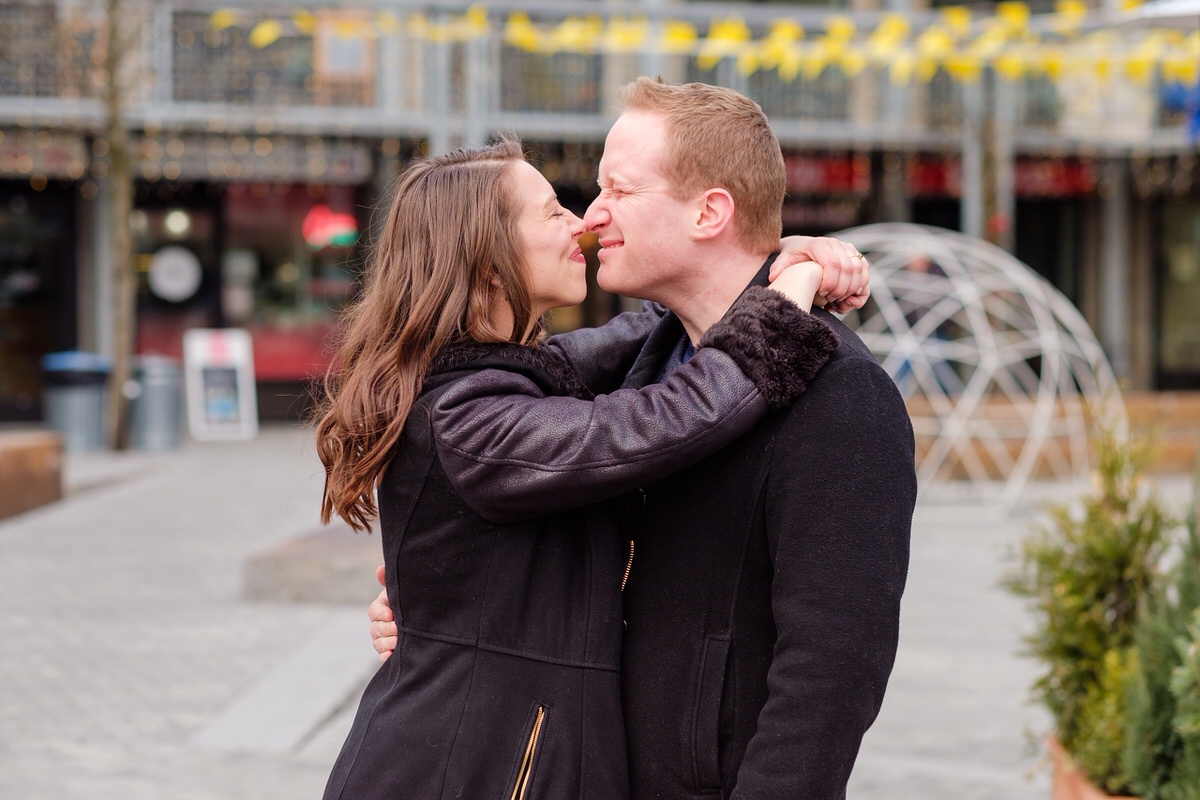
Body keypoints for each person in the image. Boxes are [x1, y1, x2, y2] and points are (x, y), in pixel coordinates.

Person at [370, 78, 917, 799]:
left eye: (617, 189)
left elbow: (830, 674)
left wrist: (787, 259)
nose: (592, 217)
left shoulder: (841, 395)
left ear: (709, 212)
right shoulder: (637, 367)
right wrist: (445, 607)